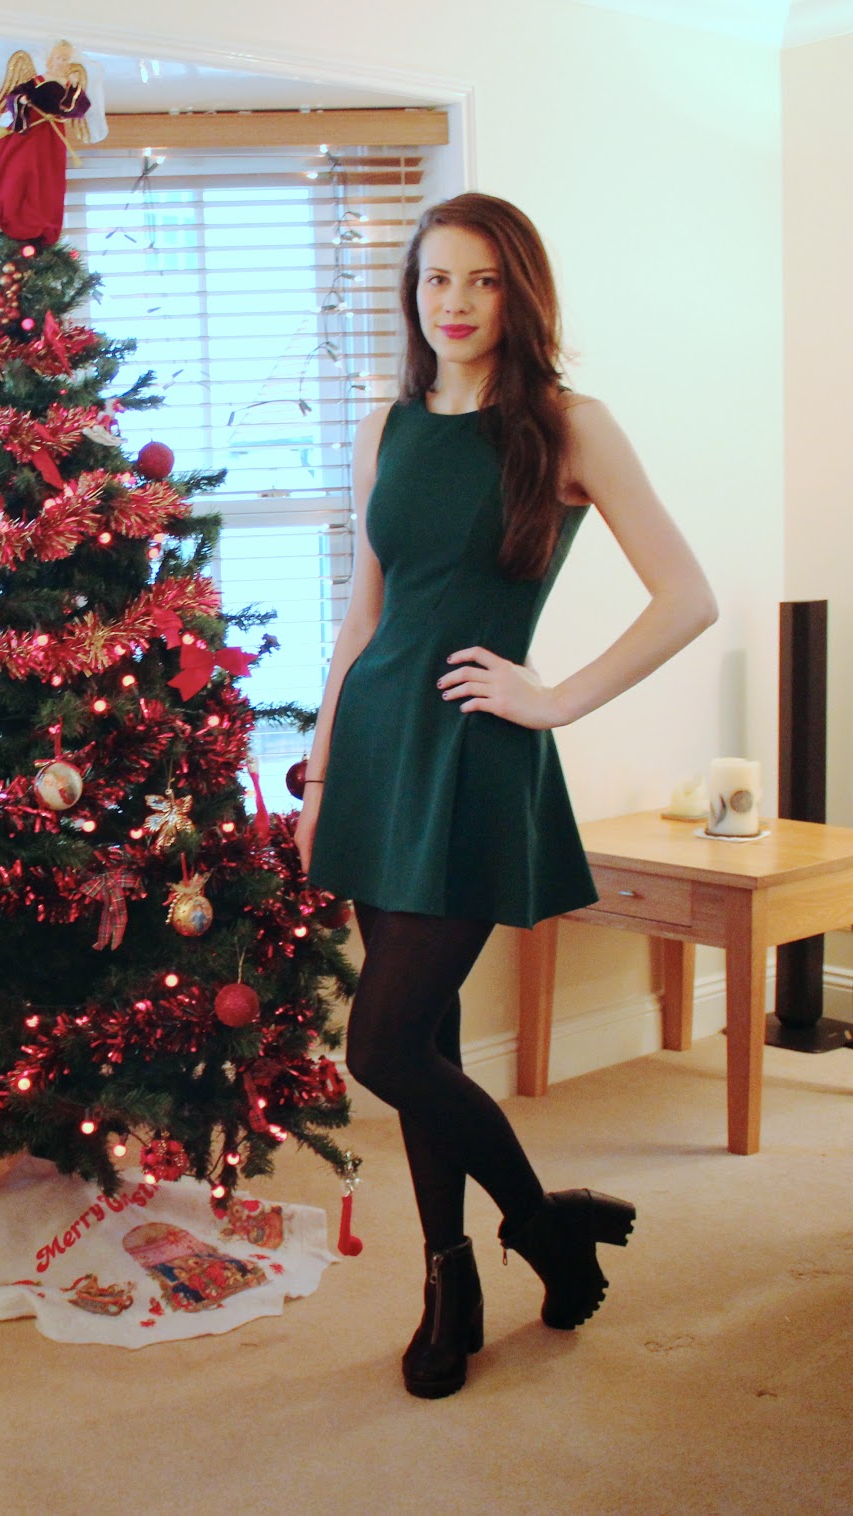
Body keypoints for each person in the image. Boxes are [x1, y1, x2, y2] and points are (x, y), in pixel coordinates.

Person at [294, 192, 717, 1400]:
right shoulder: (385, 428)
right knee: (421, 1039)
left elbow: (687, 596)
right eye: (436, 279)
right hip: (378, 751)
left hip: (474, 758)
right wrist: (320, 771)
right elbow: (363, 619)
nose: (456, 303)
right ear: (411, 293)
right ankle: (452, 1282)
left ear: (517, 293)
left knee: (381, 1045)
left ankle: (538, 1224)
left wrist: (556, 697)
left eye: (481, 280)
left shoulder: (569, 426)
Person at [0, 41, 107, 247]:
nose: (62, 62)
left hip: (52, 134)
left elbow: (79, 108)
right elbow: (14, 96)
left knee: (46, 174)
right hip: (32, 128)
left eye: (65, 59)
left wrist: (75, 89)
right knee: (20, 167)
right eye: (59, 58)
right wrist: (21, 101)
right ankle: (12, 207)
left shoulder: (69, 85)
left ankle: (37, 213)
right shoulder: (38, 80)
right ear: (51, 60)